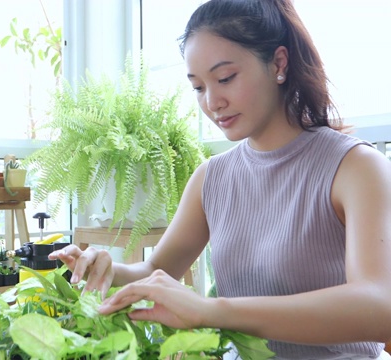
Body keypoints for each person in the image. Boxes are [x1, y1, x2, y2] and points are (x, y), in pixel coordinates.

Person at [49, 0, 391, 359]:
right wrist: (105, 269)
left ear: (278, 63)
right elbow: (154, 270)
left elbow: (380, 306)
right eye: (198, 87)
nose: (212, 102)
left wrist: (213, 310)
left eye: (225, 78)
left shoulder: (356, 167)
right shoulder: (211, 177)